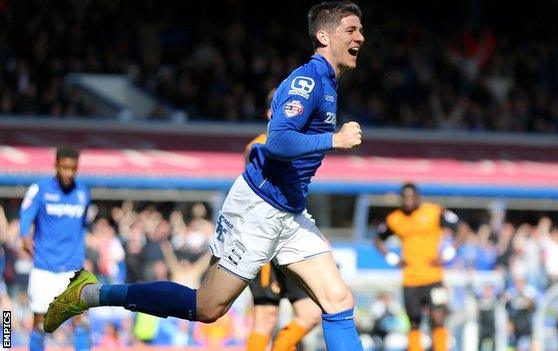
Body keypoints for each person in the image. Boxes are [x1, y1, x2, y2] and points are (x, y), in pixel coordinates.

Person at [45, 2, 365, 350]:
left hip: (290, 211)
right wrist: (334, 139)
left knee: (338, 301)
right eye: (351, 30)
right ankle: (93, 293)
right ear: (323, 35)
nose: (360, 37)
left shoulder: (330, 84)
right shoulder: (307, 80)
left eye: (361, 30)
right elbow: (278, 141)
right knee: (207, 307)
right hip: (258, 208)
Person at [245, 89, 322, 351]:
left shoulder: (299, 143)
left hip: (290, 240)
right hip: (265, 242)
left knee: (310, 313)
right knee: (265, 318)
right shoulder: (259, 145)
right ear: (271, 113)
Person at [19, 145, 91, 351]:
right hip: (44, 266)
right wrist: (25, 235)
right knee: (40, 323)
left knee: (80, 320)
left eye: (73, 169)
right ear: (56, 165)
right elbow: (26, 214)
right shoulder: (40, 189)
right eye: (65, 168)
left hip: (72, 268)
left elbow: (82, 226)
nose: (69, 173)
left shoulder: (83, 192)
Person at [374, 183, 462, 351]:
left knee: (438, 318)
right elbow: (378, 239)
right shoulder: (395, 218)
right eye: (404, 198)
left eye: (411, 197)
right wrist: (392, 258)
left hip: (434, 277)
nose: (408, 201)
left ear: (418, 197)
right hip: (410, 278)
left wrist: (449, 253)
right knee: (414, 321)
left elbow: (462, 229)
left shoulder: (434, 212)